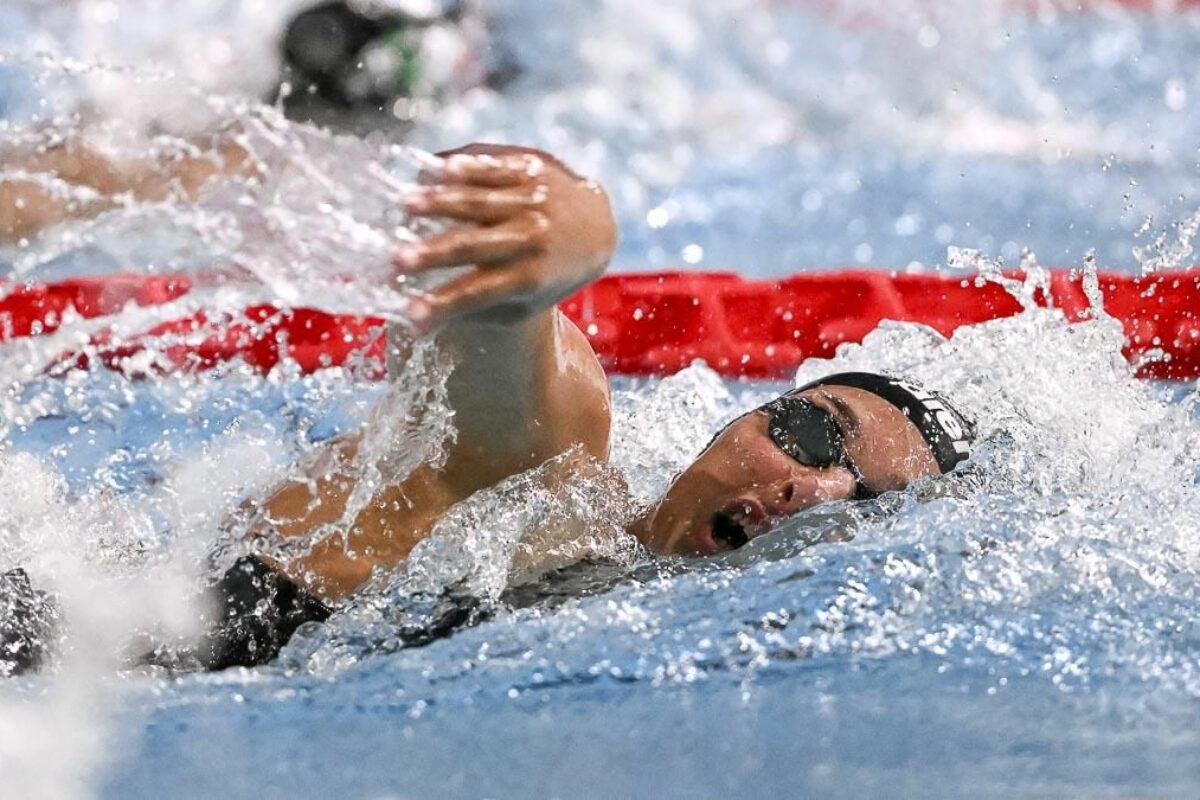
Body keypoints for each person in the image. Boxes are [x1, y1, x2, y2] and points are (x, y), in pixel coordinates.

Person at [0, 142, 975, 673]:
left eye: (863, 503)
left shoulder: (653, 638)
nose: (811, 487)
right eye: (811, 433)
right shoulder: (551, 465)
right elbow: (491, 316)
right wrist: (565, 220)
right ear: (735, 423)